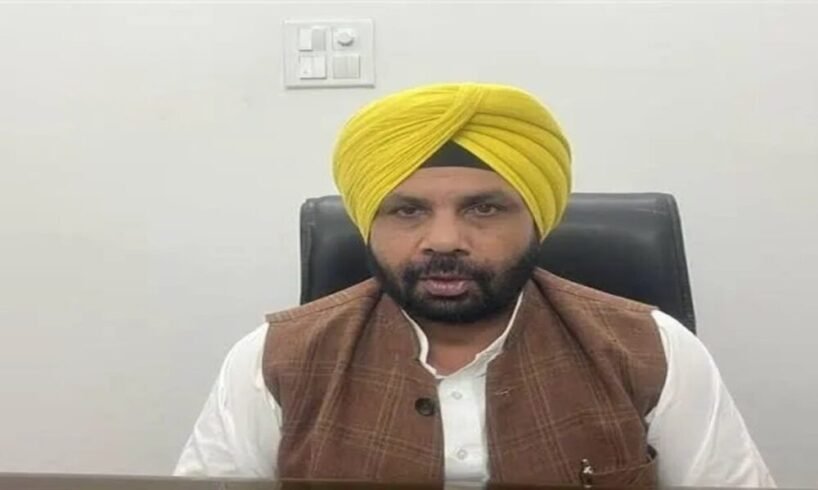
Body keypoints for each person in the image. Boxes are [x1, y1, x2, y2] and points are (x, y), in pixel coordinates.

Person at [175, 83, 774, 487]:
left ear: (536, 220)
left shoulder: (653, 349)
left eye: (484, 209)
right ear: (368, 225)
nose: (443, 240)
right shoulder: (272, 359)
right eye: (407, 211)